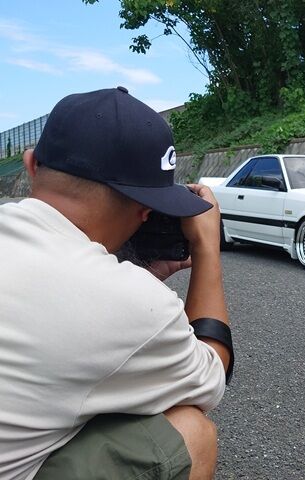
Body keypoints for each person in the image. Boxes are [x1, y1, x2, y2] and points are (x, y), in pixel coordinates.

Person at [0, 87, 234, 480]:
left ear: (31, 164)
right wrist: (207, 248)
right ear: (145, 210)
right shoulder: (132, 303)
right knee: (192, 432)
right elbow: (211, 377)